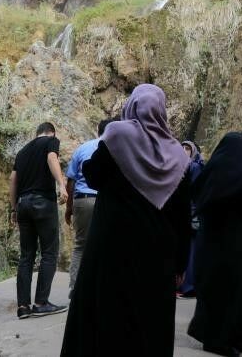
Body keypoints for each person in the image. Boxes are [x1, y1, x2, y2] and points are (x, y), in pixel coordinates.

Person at [61, 84, 191, 357]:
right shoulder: (177, 154)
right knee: (149, 319)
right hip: (157, 252)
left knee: (107, 312)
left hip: (112, 244)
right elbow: (181, 214)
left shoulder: (117, 136)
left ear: (130, 106)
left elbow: (92, 175)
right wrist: (180, 263)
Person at [188, 132, 242, 356]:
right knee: (239, 288)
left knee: (214, 288)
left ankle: (217, 336)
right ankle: (232, 338)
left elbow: (196, 195)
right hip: (236, 241)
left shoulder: (211, 169)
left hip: (210, 239)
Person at [11, 121, 68, 319]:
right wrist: (62, 185)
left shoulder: (22, 152)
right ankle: (41, 303)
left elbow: (13, 180)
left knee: (26, 256)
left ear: (36, 133)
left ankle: (23, 307)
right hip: (43, 202)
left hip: (23, 205)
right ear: (51, 133)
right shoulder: (50, 142)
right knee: (49, 253)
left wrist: (14, 209)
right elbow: (52, 158)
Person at [63, 117, 115, 297]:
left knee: (80, 245)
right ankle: (104, 286)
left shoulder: (83, 148)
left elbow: (71, 181)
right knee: (108, 243)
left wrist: (69, 208)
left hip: (83, 200)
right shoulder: (117, 148)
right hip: (106, 200)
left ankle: (75, 287)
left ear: (98, 131)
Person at [178, 140, 205, 298]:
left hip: (191, 214)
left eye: (187, 148)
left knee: (190, 250)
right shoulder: (184, 165)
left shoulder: (194, 167)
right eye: (182, 147)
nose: (184, 150)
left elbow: (195, 192)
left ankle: (188, 286)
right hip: (187, 212)